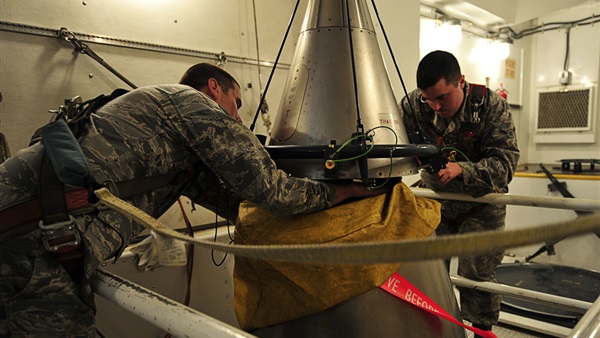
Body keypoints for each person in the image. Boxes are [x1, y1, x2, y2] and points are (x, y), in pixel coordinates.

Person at [0, 62, 387, 337]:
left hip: (27, 230)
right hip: (35, 239)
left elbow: (241, 206)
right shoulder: (190, 103)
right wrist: (342, 191)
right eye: (236, 104)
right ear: (214, 88)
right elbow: (271, 190)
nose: (237, 120)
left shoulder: (168, 138)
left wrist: (323, 223)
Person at [399, 50, 519, 335]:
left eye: (443, 97)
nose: (436, 107)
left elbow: (505, 166)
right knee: (426, 275)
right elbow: (397, 144)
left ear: (461, 82)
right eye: (429, 99)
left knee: (476, 280)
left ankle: (482, 333)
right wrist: (410, 158)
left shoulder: (491, 107)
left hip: (480, 207)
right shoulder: (413, 106)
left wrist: (463, 170)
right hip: (435, 202)